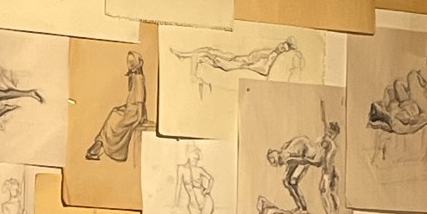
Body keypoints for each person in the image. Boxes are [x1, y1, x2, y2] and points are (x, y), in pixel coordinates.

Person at [170, 37, 302, 97]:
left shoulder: (271, 62)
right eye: (282, 45)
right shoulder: (269, 52)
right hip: (237, 61)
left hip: (236, 66)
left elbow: (252, 65)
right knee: (207, 52)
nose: (281, 47)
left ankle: (184, 57)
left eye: (284, 48)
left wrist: (237, 62)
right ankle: (184, 56)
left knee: (207, 54)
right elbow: (248, 59)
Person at [85, 51, 147, 163]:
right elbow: (132, 98)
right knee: (114, 112)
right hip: (130, 108)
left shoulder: (139, 78)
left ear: (138, 63)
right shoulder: (133, 76)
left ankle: (99, 146)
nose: (130, 64)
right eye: (129, 61)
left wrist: (139, 117)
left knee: (115, 121)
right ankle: (98, 144)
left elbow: (140, 100)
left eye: (132, 61)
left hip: (135, 112)